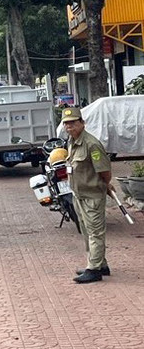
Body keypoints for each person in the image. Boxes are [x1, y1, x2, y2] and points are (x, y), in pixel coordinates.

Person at [62, 106, 112, 284]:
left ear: (82, 123)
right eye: (66, 124)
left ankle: (94, 270)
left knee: (95, 232)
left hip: (92, 195)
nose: (69, 127)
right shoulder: (71, 141)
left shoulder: (91, 144)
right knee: (85, 230)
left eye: (73, 123)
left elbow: (105, 171)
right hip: (78, 194)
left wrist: (104, 185)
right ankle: (100, 263)